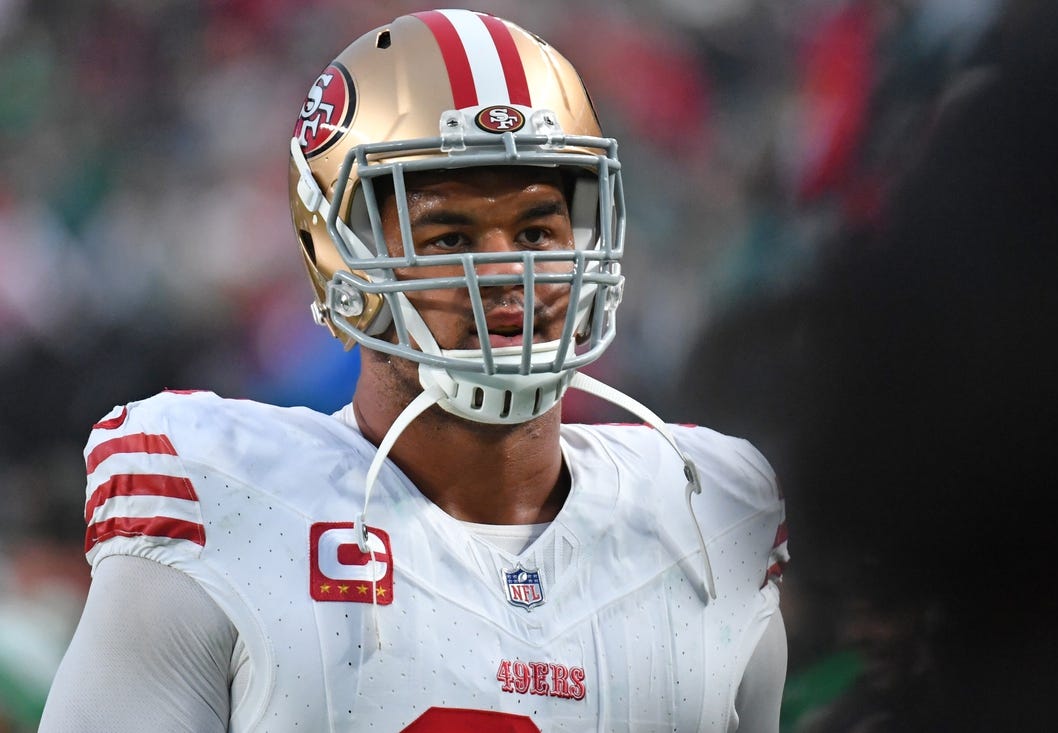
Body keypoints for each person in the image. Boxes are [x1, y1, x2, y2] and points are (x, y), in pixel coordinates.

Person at [39, 9, 789, 732]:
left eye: (536, 228)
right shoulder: (227, 507)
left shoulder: (707, 515)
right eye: (447, 235)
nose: (507, 272)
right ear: (340, 255)